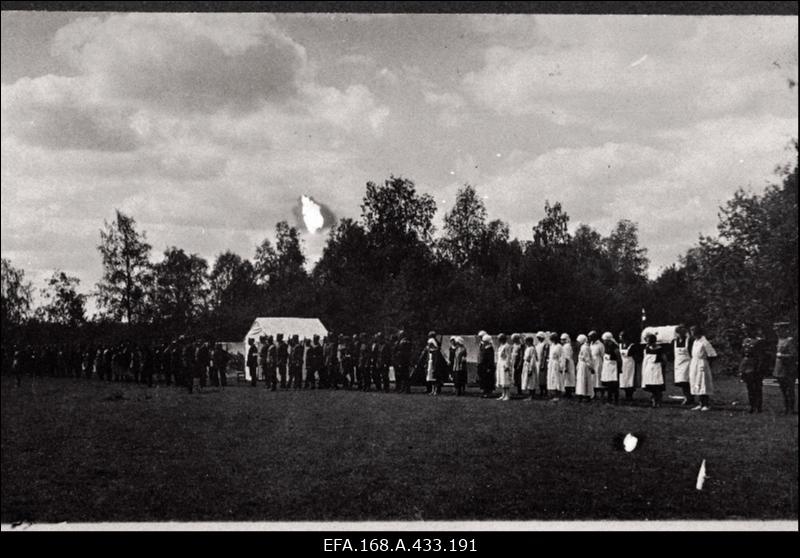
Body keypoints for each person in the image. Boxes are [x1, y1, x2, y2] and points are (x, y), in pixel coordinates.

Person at [688, 325, 717, 411]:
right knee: (696, 383)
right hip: (694, 363)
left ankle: (706, 404)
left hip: (702, 364)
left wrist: (707, 364)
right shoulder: (695, 342)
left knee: (703, 383)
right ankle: (700, 403)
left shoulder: (705, 342)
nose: (692, 333)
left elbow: (712, 354)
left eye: (693, 331)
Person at [738, 324, 765, 414]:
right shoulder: (745, 340)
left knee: (757, 387)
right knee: (749, 387)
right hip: (746, 365)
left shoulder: (758, 341)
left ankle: (758, 407)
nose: (745, 331)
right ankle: (752, 406)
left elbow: (761, 356)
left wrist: (759, 368)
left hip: (754, 365)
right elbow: (743, 354)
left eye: (746, 329)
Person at [773, 322, 797, 415]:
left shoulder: (789, 340)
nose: (777, 332)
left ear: (784, 330)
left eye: (779, 330)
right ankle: (786, 408)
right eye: (776, 331)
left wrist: (782, 355)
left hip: (788, 369)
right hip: (779, 369)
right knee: (783, 390)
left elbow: (793, 355)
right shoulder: (780, 340)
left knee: (789, 390)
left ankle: (791, 409)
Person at [642, 334, 666, 407]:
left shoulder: (660, 349)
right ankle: (654, 400)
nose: (648, 343)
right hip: (649, 368)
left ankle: (658, 400)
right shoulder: (646, 349)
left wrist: (663, 367)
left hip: (657, 368)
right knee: (651, 385)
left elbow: (664, 359)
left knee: (657, 385)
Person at [673, 325, 694, 405]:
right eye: (678, 333)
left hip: (687, 363)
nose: (679, 335)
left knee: (688, 381)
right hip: (678, 364)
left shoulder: (689, 341)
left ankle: (690, 397)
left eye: (681, 333)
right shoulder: (675, 341)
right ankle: (687, 396)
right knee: (681, 382)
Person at [618, 331, 640, 402]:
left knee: (629, 379)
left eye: (621, 336)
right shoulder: (620, 345)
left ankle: (630, 395)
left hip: (630, 364)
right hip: (623, 364)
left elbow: (635, 356)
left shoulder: (632, 345)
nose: (620, 338)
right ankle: (626, 394)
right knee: (624, 379)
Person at [600, 332, 621, 405]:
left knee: (613, 385)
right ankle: (609, 399)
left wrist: (620, 368)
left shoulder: (615, 347)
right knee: (608, 384)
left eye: (605, 340)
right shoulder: (605, 347)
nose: (604, 342)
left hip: (613, 367)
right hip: (607, 367)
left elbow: (619, 358)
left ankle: (615, 400)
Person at [575, 334, 594, 402]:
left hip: (584, 366)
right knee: (582, 380)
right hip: (582, 365)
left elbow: (587, 358)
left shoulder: (584, 347)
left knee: (583, 380)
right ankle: (582, 395)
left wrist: (591, 367)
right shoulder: (584, 347)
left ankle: (584, 395)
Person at [476, 331, 494, 397]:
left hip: (486, 365)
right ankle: (484, 391)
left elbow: (490, 358)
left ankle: (488, 392)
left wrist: (489, 367)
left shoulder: (489, 347)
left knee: (488, 379)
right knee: (483, 378)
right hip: (482, 364)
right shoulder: (482, 345)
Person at [495, 333, 512, 401]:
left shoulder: (507, 346)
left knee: (506, 379)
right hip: (500, 364)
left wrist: (507, 365)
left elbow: (508, 356)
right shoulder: (500, 346)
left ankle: (507, 395)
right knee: (501, 379)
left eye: (499, 339)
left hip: (504, 364)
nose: (498, 340)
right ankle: (503, 394)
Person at [588, 331, 605, 400]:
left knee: (599, 377)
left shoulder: (600, 345)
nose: (589, 338)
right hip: (592, 362)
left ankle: (602, 394)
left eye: (590, 336)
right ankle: (593, 394)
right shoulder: (591, 344)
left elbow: (603, 355)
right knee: (592, 378)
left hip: (598, 362)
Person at [546, 333, 564, 399]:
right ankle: (552, 394)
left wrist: (561, 366)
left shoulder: (559, 346)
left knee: (557, 379)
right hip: (551, 363)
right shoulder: (552, 346)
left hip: (556, 364)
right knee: (551, 378)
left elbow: (562, 357)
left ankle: (557, 395)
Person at [521, 335, 537, 399]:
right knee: (527, 380)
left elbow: (533, 359)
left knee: (531, 380)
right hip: (526, 364)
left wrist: (530, 369)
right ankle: (530, 395)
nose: (525, 342)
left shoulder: (532, 348)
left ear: (530, 341)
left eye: (526, 341)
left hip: (530, 365)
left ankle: (532, 395)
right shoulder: (527, 348)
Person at [560, 333, 576, 398]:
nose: (562, 341)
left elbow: (567, 357)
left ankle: (568, 393)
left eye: (563, 340)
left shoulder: (566, 346)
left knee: (568, 378)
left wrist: (566, 367)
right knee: (567, 378)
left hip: (568, 363)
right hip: (567, 363)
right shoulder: (567, 346)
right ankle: (567, 392)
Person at [536, 332, 549, 398]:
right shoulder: (538, 345)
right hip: (538, 362)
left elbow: (545, 355)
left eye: (539, 337)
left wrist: (543, 364)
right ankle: (541, 390)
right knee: (539, 377)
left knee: (543, 377)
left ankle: (545, 391)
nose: (538, 338)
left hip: (542, 362)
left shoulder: (545, 345)